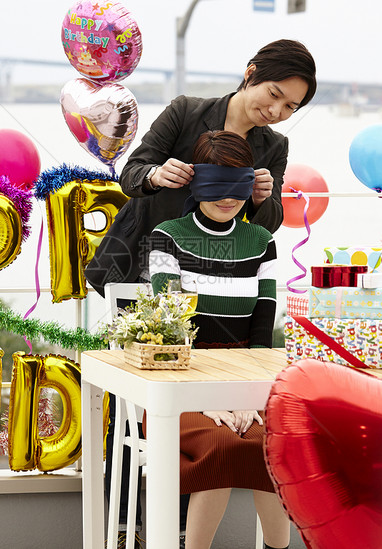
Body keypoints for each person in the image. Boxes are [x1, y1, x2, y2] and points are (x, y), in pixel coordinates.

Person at [85, 38, 316, 296]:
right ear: (251, 73)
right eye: (274, 94)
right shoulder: (184, 112)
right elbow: (130, 175)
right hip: (141, 259)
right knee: (135, 336)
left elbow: (271, 223)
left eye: (289, 107)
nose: (275, 111)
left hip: (210, 271)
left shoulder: (275, 145)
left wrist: (261, 200)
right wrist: (156, 175)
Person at [148, 130, 289, 549]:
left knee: (275, 446)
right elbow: (171, 331)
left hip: (248, 380)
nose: (228, 198)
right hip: (183, 383)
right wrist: (206, 398)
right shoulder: (166, 237)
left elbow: (262, 335)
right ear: (195, 181)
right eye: (217, 185)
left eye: (237, 185)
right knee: (223, 445)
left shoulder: (262, 243)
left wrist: (249, 396)